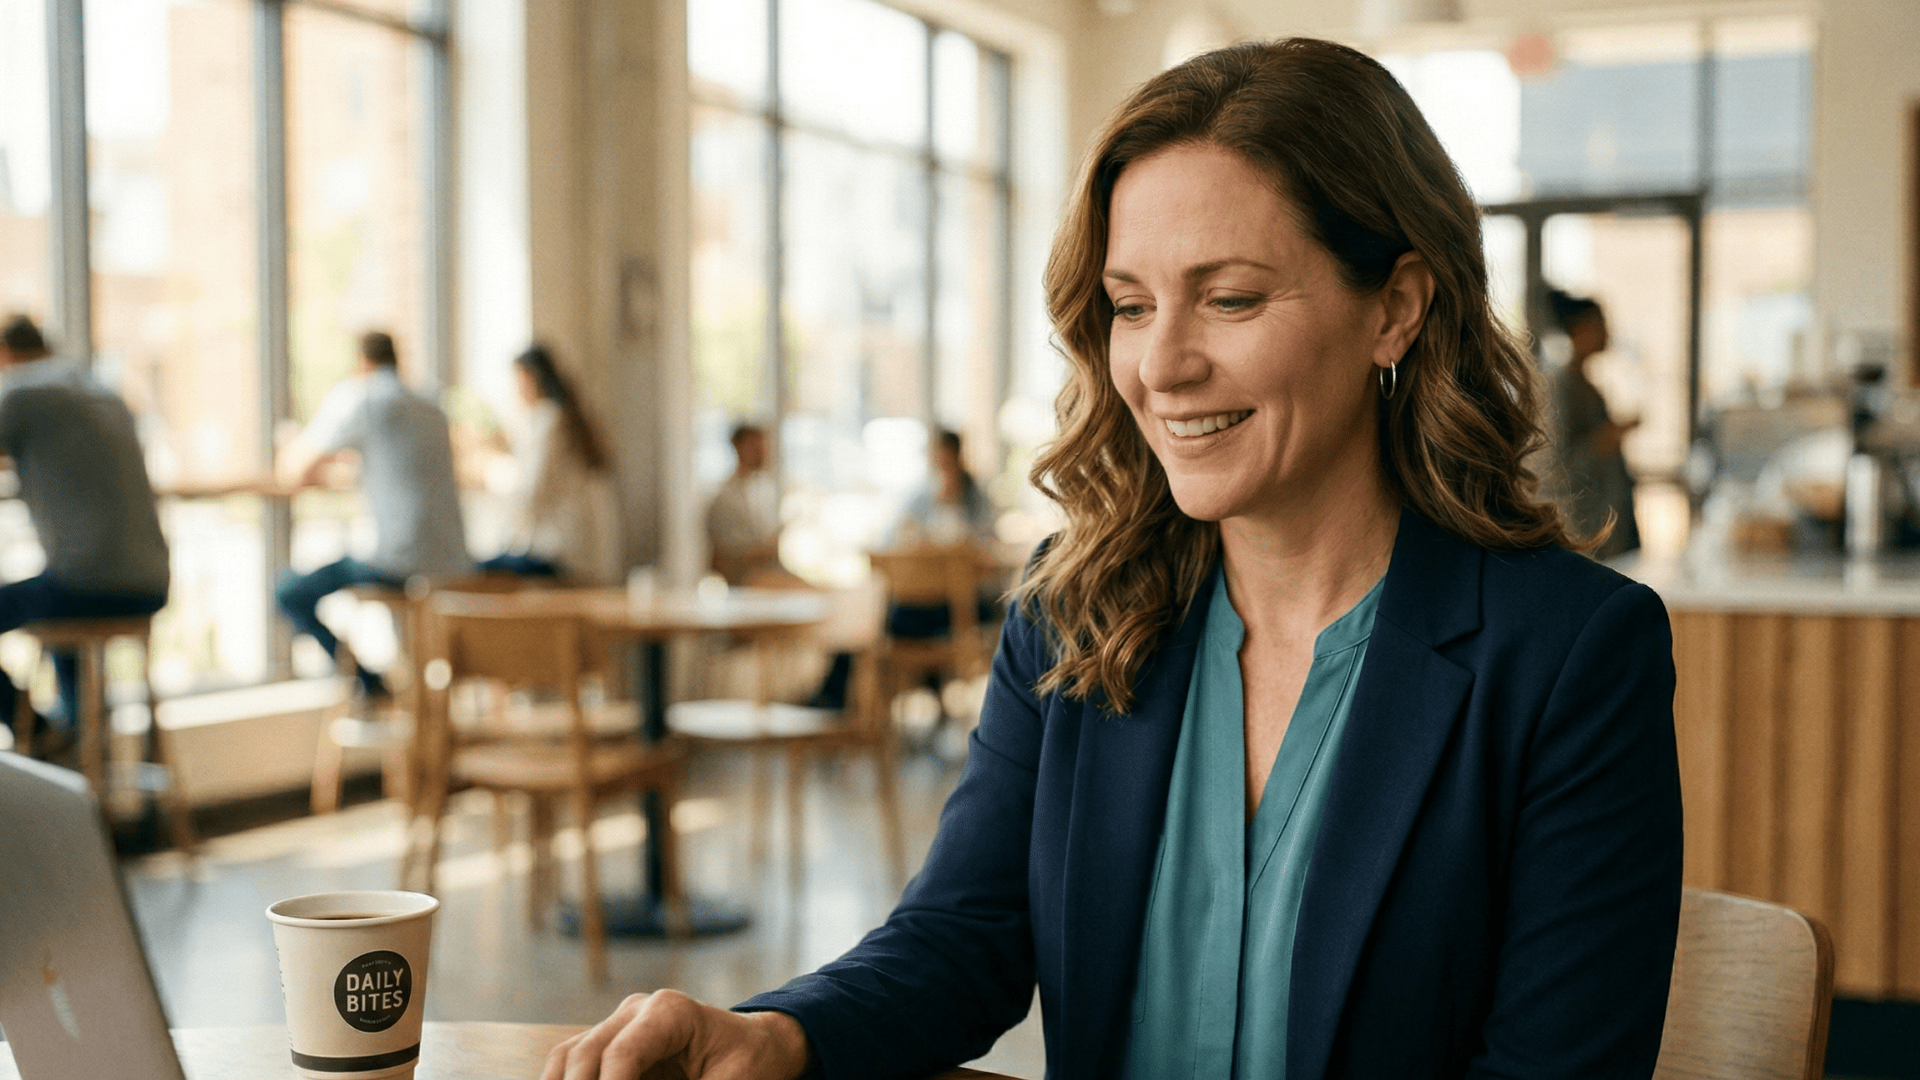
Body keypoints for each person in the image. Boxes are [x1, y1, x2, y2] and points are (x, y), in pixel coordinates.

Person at [545, 38, 1681, 1080]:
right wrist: (778, 1033)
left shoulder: (1572, 658)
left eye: (1229, 298)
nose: (1161, 365)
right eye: (1130, 306)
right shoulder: (1074, 610)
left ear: (1396, 309)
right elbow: (965, 933)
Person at [0, 315, 170, 750]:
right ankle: (79, 738)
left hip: (86, 585)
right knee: (56, 599)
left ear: (5, 355)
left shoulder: (20, 393)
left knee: (56, 594)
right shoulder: (102, 391)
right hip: (151, 583)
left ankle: (41, 734)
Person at [275, 331, 471, 696]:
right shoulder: (432, 406)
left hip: (397, 563)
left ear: (362, 363)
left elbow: (294, 469)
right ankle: (405, 695)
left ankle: (372, 687)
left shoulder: (361, 398)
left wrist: (291, 444)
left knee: (289, 592)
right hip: (454, 562)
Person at [478, 344, 622, 584]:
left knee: (478, 572)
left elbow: (533, 491)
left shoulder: (547, 421)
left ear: (531, 379)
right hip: (582, 550)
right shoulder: (567, 417)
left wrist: (489, 477)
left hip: (557, 552)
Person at [1547, 287, 1641, 560]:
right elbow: (1557, 467)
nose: (1607, 332)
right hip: (1583, 529)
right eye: (1599, 324)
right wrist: (1609, 436)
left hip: (1607, 525)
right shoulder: (1559, 388)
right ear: (1578, 330)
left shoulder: (1590, 388)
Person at [888, 428, 997, 548]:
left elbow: (988, 538)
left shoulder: (976, 497)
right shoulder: (922, 496)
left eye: (949, 462)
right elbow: (896, 533)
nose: (945, 469)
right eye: (942, 462)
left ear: (958, 458)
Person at [704, 423, 784, 586]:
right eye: (756, 446)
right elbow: (722, 557)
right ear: (739, 447)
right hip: (744, 581)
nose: (763, 452)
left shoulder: (764, 490)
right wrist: (763, 551)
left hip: (768, 574)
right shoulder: (724, 498)